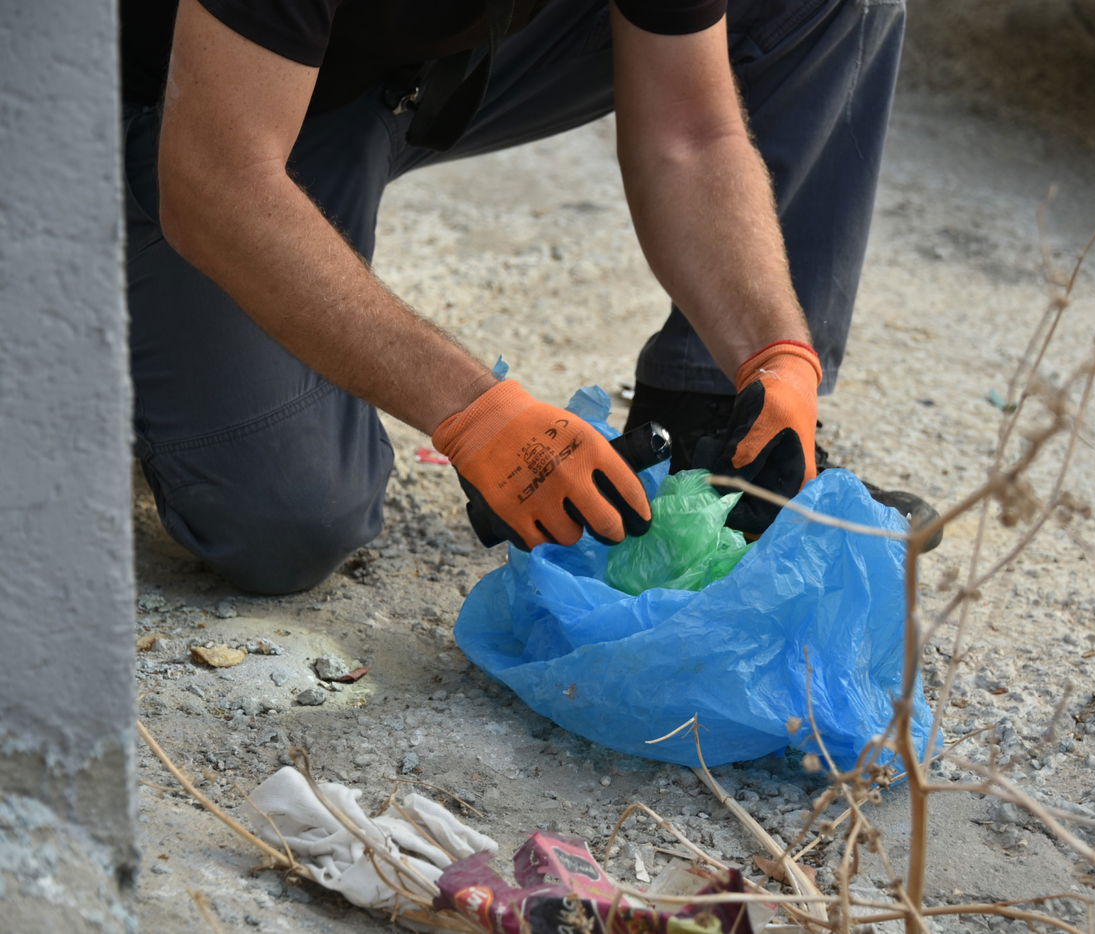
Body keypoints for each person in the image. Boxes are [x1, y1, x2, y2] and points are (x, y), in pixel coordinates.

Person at [120, 0, 912, 595]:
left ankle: (715, 430)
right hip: (184, 106)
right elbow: (215, 180)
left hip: (403, 74)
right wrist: (473, 411)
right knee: (286, 522)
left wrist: (774, 349)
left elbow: (690, 132)